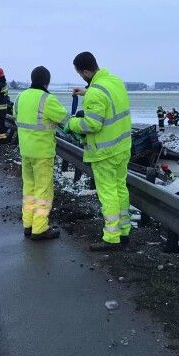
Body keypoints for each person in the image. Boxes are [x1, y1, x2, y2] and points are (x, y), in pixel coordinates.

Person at [65, 52, 132, 251]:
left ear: (86, 71)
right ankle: (124, 230)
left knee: (108, 193)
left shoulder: (95, 92)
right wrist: (85, 92)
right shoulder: (114, 81)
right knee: (121, 189)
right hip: (123, 147)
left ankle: (112, 237)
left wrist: (73, 123)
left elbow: (92, 124)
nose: (81, 77)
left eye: (80, 74)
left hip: (105, 152)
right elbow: (105, 96)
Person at [13, 66, 68, 240]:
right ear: (47, 82)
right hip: (42, 153)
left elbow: (16, 117)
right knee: (43, 191)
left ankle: (28, 225)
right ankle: (40, 228)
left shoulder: (20, 97)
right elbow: (65, 120)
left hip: (25, 150)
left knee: (29, 188)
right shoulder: (47, 99)